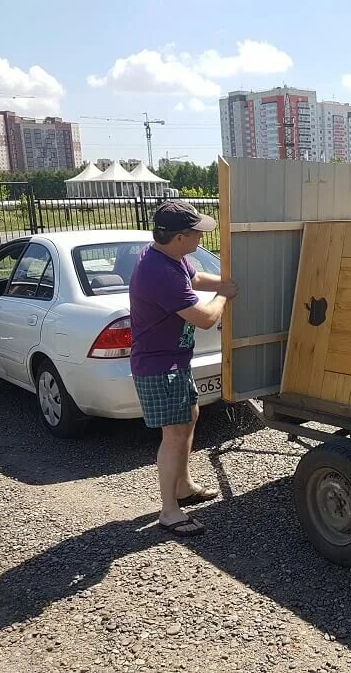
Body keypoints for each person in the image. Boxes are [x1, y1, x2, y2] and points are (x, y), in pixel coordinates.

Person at [129, 200, 238, 537]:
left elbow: (196, 276)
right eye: (197, 234)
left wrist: (224, 279)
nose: (202, 240)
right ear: (179, 237)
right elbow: (205, 319)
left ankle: (183, 487)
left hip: (174, 361)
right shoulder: (159, 272)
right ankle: (169, 511)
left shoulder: (169, 258)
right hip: (160, 367)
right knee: (174, 435)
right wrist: (225, 295)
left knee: (188, 418)